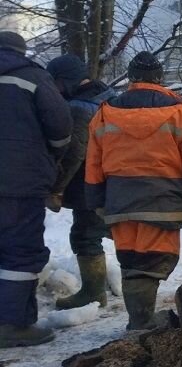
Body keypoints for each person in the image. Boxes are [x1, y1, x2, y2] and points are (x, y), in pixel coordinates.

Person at [85, 52, 182, 329]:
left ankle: (139, 320)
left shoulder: (105, 112)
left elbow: (93, 163)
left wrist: (96, 200)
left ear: (131, 78)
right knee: (151, 260)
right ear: (159, 77)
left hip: (120, 201)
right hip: (164, 201)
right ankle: (142, 324)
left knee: (131, 260)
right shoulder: (181, 112)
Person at [0, 31, 72, 347]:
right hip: (19, 180)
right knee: (20, 249)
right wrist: (49, 156)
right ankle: (13, 324)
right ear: (21, 50)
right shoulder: (32, 76)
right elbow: (60, 128)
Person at [46, 54, 116, 310]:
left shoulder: (79, 107)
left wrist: (56, 188)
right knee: (116, 231)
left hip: (90, 183)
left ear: (64, 81)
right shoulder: (109, 96)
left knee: (86, 236)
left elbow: (74, 153)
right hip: (114, 179)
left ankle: (93, 292)